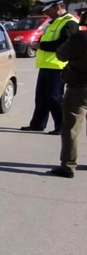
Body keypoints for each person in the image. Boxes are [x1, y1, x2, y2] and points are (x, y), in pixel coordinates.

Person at [21, 0, 79, 134]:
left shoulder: (70, 23)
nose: (47, 14)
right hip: (46, 64)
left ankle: (61, 126)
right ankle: (38, 124)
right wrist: (37, 45)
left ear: (58, 7)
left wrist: (41, 45)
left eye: (49, 10)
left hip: (58, 65)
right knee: (41, 97)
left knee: (55, 98)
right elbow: (47, 39)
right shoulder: (54, 22)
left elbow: (64, 44)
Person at [48, 12, 87, 178]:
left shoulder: (78, 38)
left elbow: (61, 55)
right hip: (78, 85)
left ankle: (68, 165)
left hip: (78, 87)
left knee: (70, 128)